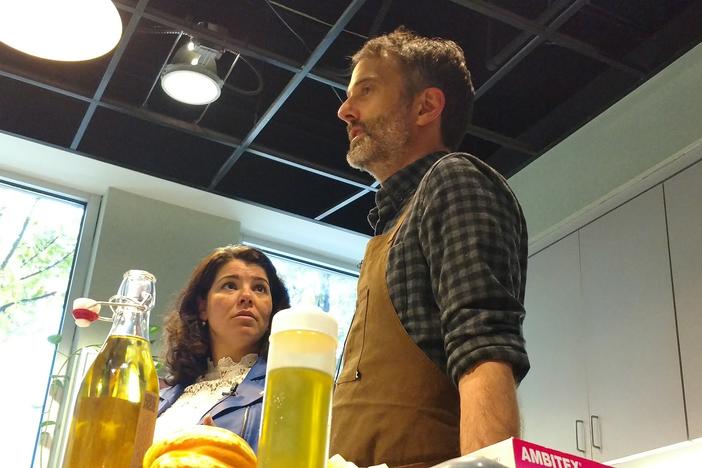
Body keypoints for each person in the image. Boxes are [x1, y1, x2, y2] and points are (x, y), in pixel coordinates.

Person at [330, 27, 530, 467]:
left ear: (426, 106)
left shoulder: (454, 179)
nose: (346, 110)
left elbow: (484, 346)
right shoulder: (392, 223)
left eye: (366, 91)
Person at [155, 245, 290, 452]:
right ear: (202, 308)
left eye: (259, 288)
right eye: (230, 286)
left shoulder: (286, 393)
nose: (247, 296)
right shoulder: (160, 397)